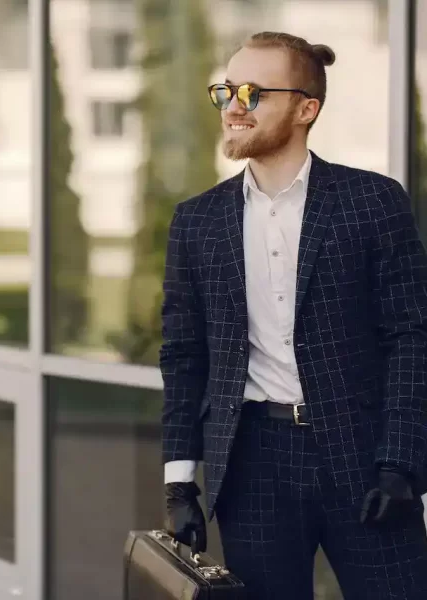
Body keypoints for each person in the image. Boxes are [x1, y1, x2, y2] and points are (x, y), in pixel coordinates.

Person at [160, 31, 427, 600]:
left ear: (307, 109)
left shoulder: (372, 202)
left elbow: (412, 336)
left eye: (253, 92)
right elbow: (184, 356)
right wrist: (180, 484)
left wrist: (402, 461)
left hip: (363, 454)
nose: (234, 105)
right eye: (227, 90)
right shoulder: (196, 222)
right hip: (254, 464)